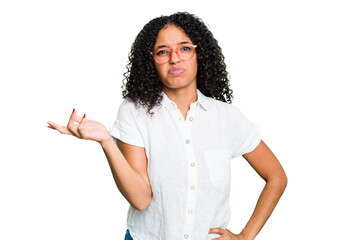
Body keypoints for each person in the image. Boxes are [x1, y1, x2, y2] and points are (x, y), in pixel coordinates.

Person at [47, 12, 287, 240]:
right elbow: (140, 200)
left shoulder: (227, 117)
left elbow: (276, 176)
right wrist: (106, 141)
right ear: (151, 60)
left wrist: (245, 236)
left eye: (184, 48)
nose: (174, 58)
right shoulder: (134, 112)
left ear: (199, 54)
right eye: (163, 51)